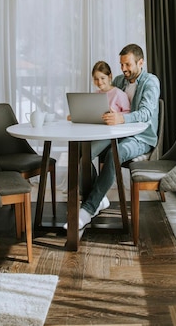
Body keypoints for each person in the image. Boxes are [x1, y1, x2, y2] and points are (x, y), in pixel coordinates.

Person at [65, 43, 160, 230]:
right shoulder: (119, 80)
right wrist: (82, 112)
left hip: (141, 138)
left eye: (128, 65)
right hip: (117, 134)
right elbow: (106, 100)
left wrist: (121, 118)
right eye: (121, 64)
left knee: (113, 155)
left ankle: (88, 209)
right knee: (83, 153)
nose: (123, 69)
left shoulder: (151, 82)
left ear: (141, 62)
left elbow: (146, 113)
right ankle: (99, 198)